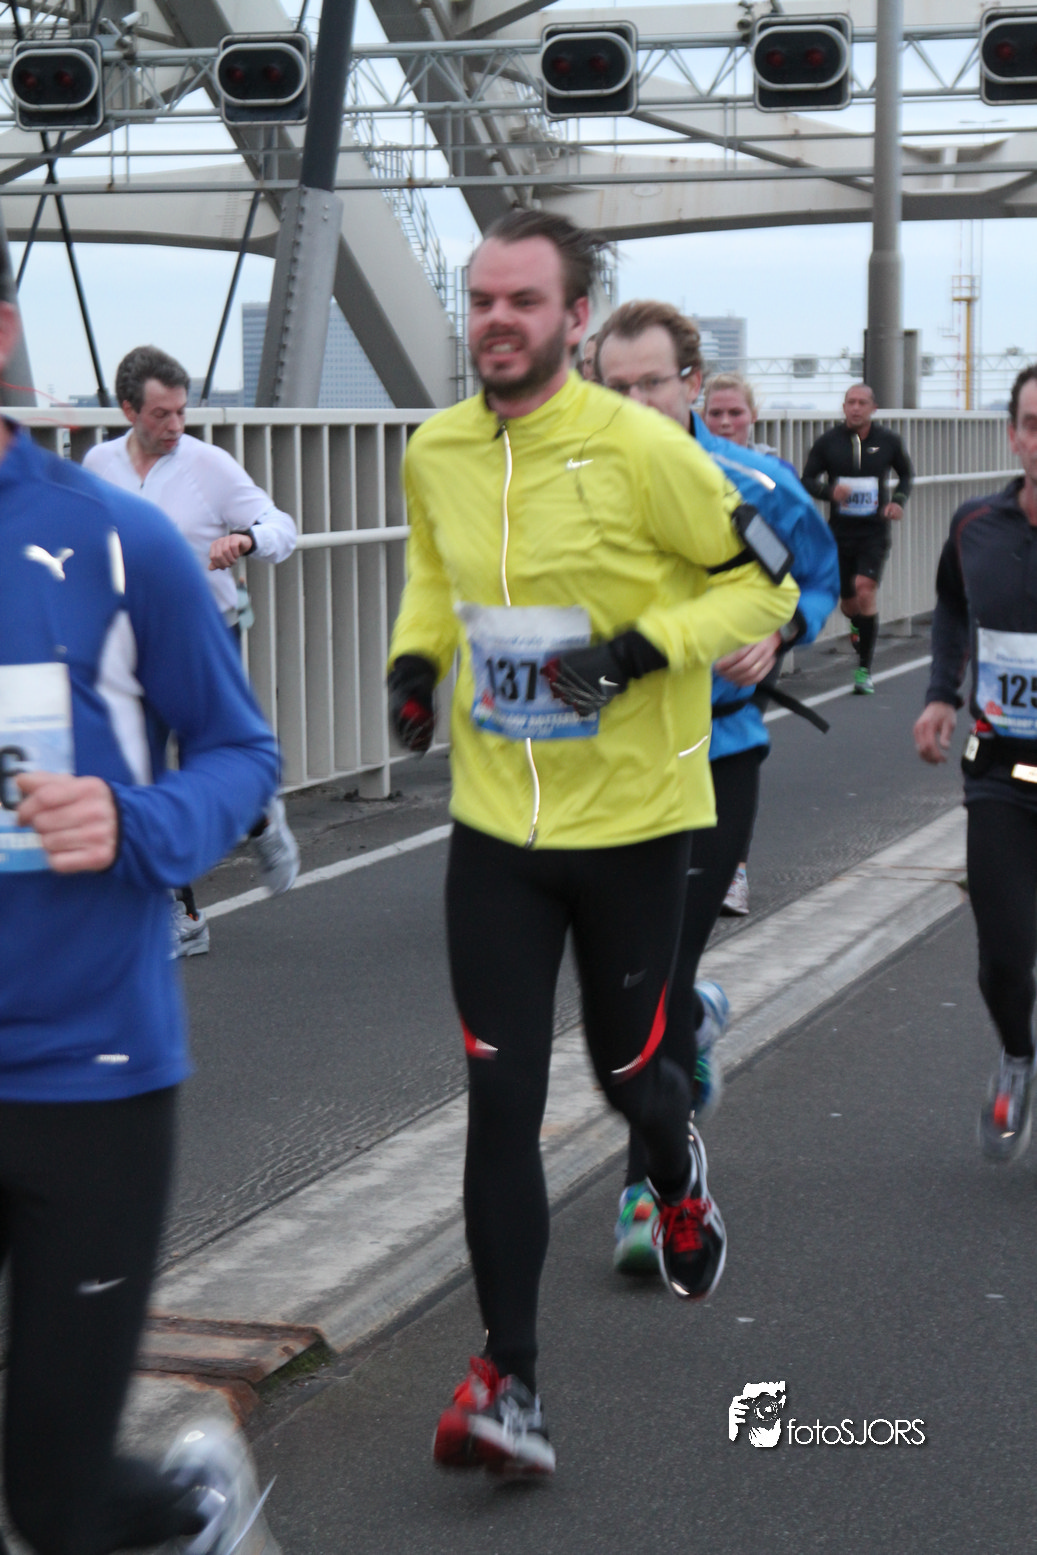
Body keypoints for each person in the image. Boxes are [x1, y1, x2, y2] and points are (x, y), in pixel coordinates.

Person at [387, 212, 800, 1476]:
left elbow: (763, 584)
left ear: (573, 318)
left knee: (629, 1074)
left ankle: (673, 1172)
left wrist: (638, 650)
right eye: (480, 300)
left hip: (631, 825)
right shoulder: (435, 450)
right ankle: (509, 1380)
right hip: (495, 829)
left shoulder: (644, 448)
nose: (495, 321)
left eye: (523, 301)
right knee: (499, 1095)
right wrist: (415, 664)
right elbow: (432, 571)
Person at [0, 294, 281, 1555]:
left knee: (55, 1503)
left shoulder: (116, 541)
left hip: (85, 1073)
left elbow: (239, 753)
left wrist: (132, 820)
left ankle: (190, 1508)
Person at [595, 304, 838, 1272]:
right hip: (611, 764)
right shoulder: (569, 487)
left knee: (649, 980)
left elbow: (812, 576)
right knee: (627, 989)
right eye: (614, 387)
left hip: (717, 755)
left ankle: (644, 1197)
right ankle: (692, 1017)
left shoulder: (753, 484)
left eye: (651, 383)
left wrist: (779, 632)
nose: (634, 402)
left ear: (691, 383)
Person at [84, 347, 300, 955]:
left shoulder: (209, 466)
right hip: (127, 644)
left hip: (204, 636)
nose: (175, 425)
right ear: (129, 410)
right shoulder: (98, 464)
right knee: (143, 775)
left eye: (181, 411)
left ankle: (259, 815)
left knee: (212, 760)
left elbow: (282, 526)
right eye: (161, 414)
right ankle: (183, 916)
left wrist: (246, 539)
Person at [914, 363, 1037, 1162]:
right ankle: (1017, 1053)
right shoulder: (973, 526)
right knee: (1002, 956)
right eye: (1032, 423)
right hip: (999, 773)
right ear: (1013, 435)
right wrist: (938, 695)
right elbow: (952, 603)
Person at [703, 371, 790, 913]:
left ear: (752, 417)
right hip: (695, 628)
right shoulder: (680, 467)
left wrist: (779, 633)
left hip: (754, 634)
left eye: (735, 413)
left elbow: (801, 566)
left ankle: (733, 868)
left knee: (733, 740)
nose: (726, 422)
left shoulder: (774, 479)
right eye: (716, 413)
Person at [802, 383, 913, 695]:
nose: (855, 408)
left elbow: (906, 475)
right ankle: (855, 623)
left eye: (862, 403)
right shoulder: (828, 442)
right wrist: (829, 492)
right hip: (839, 533)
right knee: (849, 603)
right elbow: (806, 479)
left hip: (874, 532)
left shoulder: (888, 441)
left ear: (873, 408)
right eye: (850, 402)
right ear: (843, 407)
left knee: (866, 590)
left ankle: (864, 670)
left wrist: (897, 502)